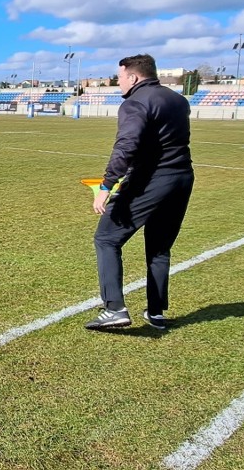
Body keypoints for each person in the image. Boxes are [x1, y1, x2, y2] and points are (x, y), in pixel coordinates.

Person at [85, 54, 194, 331]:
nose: (117, 82)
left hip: (150, 180)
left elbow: (127, 145)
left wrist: (105, 186)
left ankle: (114, 309)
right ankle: (156, 312)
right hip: (182, 178)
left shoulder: (135, 102)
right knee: (159, 247)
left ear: (133, 77)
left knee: (106, 239)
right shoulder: (178, 100)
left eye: (119, 77)